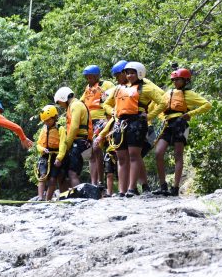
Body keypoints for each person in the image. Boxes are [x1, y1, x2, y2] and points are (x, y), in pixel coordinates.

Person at [99, 62, 166, 197]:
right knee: (121, 158)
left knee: (134, 156)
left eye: (132, 73)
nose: (129, 75)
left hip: (137, 123)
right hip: (121, 124)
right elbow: (105, 104)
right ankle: (122, 191)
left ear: (139, 73)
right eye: (127, 73)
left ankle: (132, 188)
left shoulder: (146, 88)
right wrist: (112, 111)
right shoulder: (118, 89)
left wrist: (149, 116)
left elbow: (163, 102)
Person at [153, 68, 212, 196]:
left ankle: (175, 188)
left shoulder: (189, 94)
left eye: (178, 80)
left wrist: (190, 113)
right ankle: (163, 186)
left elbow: (207, 105)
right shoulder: (168, 93)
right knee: (158, 153)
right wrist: (154, 117)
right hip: (168, 124)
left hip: (181, 124)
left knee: (178, 155)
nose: (175, 82)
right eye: (174, 80)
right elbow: (159, 108)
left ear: (185, 80)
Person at [80, 65, 115, 187]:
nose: (88, 80)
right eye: (87, 78)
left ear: (96, 76)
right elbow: (81, 103)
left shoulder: (107, 85)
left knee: (96, 148)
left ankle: (101, 181)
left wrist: (109, 118)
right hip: (90, 122)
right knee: (91, 152)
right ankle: (93, 182)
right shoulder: (87, 88)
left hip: (102, 119)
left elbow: (113, 99)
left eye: (90, 77)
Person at [54, 87, 91, 187]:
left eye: (59, 102)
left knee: (72, 172)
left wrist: (67, 144)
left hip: (79, 141)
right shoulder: (73, 105)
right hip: (78, 141)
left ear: (64, 98)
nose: (60, 105)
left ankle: (77, 197)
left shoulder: (76, 105)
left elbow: (74, 127)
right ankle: (71, 195)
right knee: (67, 171)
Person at [35, 105, 67, 200]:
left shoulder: (60, 129)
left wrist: (59, 158)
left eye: (48, 120)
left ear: (54, 118)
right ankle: (40, 198)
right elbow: (38, 144)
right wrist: (42, 149)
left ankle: (47, 200)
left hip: (55, 155)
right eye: (45, 121)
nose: (46, 122)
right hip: (45, 156)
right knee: (42, 176)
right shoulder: (43, 129)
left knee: (53, 179)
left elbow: (63, 145)